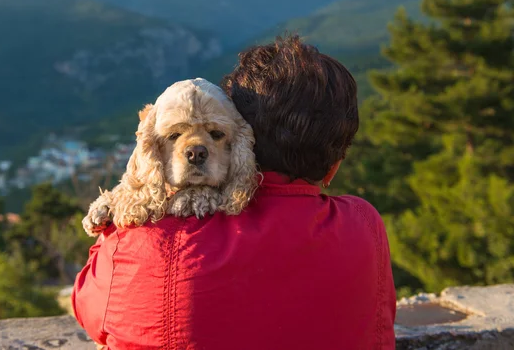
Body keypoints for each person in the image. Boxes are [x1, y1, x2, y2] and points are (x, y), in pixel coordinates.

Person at [72, 35, 396, 349]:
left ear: (242, 140)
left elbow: (87, 308)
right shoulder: (364, 227)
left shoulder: (141, 238)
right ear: (334, 167)